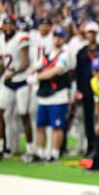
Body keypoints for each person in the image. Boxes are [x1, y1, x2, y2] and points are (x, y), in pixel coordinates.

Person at [0, 16, 34, 161]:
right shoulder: (2, 41)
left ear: (15, 26)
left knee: (23, 115)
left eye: (11, 25)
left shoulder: (21, 38)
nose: (8, 28)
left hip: (21, 81)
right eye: (6, 25)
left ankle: (30, 149)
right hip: (8, 82)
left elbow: (25, 62)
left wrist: (13, 73)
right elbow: (4, 62)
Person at [27, 26, 71, 162]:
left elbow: (55, 71)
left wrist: (37, 77)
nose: (57, 39)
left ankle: (54, 153)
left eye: (60, 37)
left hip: (58, 96)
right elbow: (32, 69)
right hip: (44, 96)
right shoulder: (46, 56)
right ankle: (40, 152)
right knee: (40, 126)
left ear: (63, 39)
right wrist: (32, 75)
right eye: (55, 36)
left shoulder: (65, 55)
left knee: (57, 126)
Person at [75, 22, 99, 157]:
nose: (90, 35)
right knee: (88, 119)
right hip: (86, 89)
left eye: (93, 32)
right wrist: (78, 90)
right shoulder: (81, 52)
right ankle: (91, 146)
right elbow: (78, 73)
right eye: (88, 32)